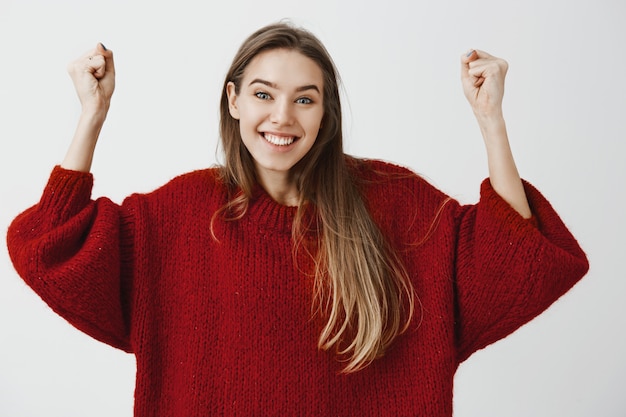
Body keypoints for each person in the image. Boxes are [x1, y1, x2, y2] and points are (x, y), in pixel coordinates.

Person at [7, 22, 589, 416]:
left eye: (305, 98)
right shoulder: (177, 216)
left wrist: (491, 121)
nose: (282, 116)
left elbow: (515, 262)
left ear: (324, 111)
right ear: (233, 101)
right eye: (263, 94)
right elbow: (51, 248)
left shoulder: (393, 205)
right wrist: (93, 115)